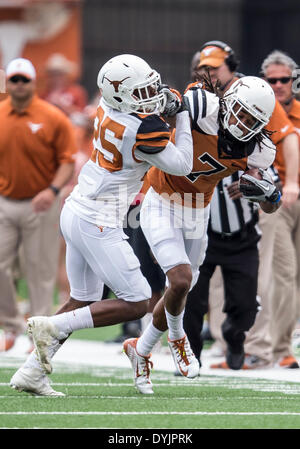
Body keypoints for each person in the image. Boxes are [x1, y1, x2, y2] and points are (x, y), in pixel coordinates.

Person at [9, 53, 194, 396]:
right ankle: (52, 324)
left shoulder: (108, 108)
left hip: (77, 207)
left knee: (82, 299)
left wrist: (162, 100)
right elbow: (181, 164)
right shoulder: (142, 128)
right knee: (138, 300)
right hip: (98, 219)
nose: (150, 95)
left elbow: (145, 107)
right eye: (140, 92)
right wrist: (181, 116)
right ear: (120, 96)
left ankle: (32, 371)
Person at [123, 73, 282, 394]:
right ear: (227, 102)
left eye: (253, 118)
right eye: (241, 111)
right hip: (161, 200)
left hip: (198, 209)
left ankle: (140, 349)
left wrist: (268, 194)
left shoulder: (260, 149)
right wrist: (168, 102)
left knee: (180, 290)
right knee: (180, 280)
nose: (243, 121)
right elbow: (172, 102)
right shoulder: (202, 106)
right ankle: (179, 339)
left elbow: (270, 207)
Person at [190, 43, 299, 370]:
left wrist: (285, 183)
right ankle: (229, 345)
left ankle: (259, 344)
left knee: (263, 277)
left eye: (215, 68)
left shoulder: (255, 93)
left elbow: (286, 137)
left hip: (249, 201)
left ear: (231, 68)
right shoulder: (200, 98)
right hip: (204, 202)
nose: (209, 73)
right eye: (204, 68)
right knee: (207, 282)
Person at [0, 58, 76, 351]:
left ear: (33, 83)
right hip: (5, 200)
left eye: (24, 80)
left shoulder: (52, 117)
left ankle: (41, 331)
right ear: (9, 84)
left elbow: (67, 160)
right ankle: (11, 324)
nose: (19, 85)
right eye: (15, 80)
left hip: (41, 200)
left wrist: (53, 189)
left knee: (40, 268)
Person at [262, 50, 300, 368]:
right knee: (284, 274)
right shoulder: (258, 113)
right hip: (274, 200)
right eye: (271, 80)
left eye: (283, 79)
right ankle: (280, 350)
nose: (277, 85)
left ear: (293, 80)